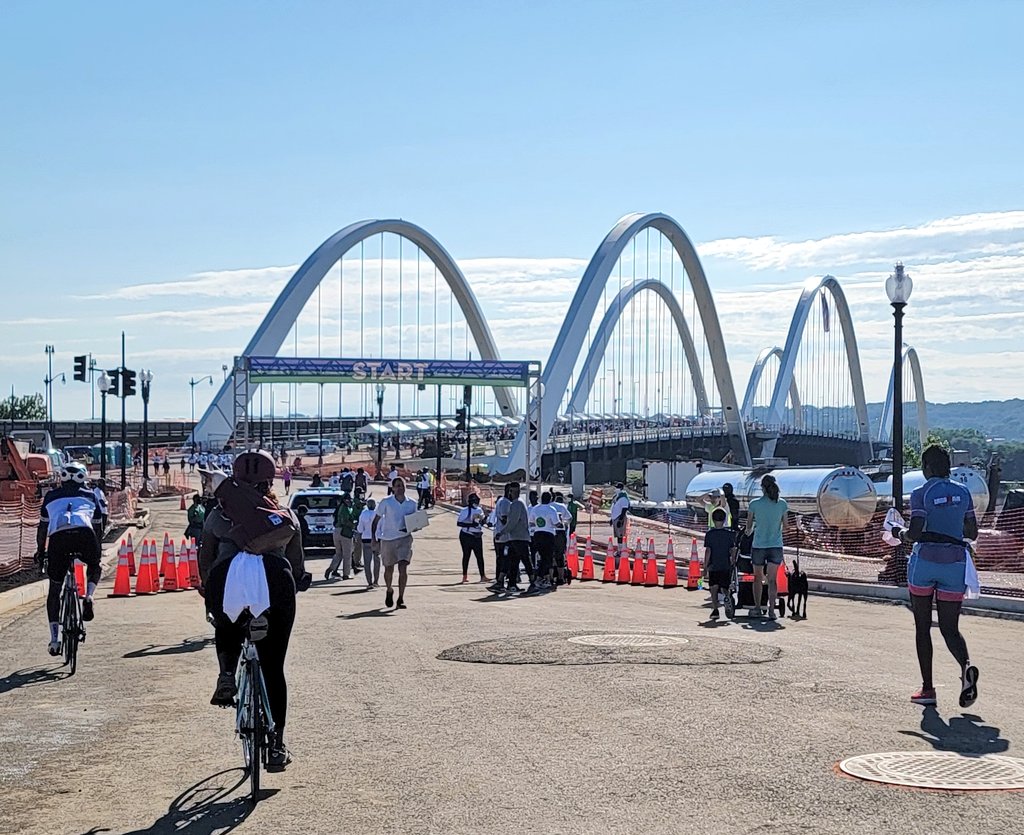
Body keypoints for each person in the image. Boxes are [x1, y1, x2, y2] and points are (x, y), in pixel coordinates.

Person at [199, 450, 310, 771]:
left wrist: (210, 592)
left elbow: (206, 560)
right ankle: (277, 744)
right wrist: (299, 580)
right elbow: (297, 562)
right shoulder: (284, 513)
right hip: (276, 581)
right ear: (270, 479)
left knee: (227, 625)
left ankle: (226, 673)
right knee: (273, 666)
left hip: (227, 577)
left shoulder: (217, 516)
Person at [894, 444, 980, 707]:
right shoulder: (963, 492)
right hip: (955, 564)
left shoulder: (921, 493)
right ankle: (965, 667)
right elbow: (972, 532)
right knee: (950, 628)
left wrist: (900, 534)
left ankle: (928, 690)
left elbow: (916, 532)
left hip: (926, 563)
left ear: (927, 468)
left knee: (923, 627)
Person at [36, 463, 101, 655]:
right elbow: (98, 527)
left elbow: (42, 530)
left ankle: (54, 640)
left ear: (62, 477)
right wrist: (96, 549)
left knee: (55, 589)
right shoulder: (91, 495)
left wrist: (41, 552)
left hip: (59, 538)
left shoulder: (50, 496)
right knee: (95, 566)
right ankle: (89, 596)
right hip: (84, 535)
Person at [743, 474, 788, 620]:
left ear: (762, 488)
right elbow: (786, 527)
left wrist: (748, 530)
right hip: (775, 545)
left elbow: (748, 526)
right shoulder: (782, 504)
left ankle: (757, 607)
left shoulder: (754, 504)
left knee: (757, 578)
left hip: (759, 545)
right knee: (773, 579)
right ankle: (771, 610)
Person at [372, 476, 418, 609]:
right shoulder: (386, 502)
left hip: (405, 538)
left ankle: (401, 598)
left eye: (402, 485)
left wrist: (415, 526)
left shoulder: (412, 503)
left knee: (403, 568)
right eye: (397, 486)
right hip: (388, 539)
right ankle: (389, 589)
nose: (400, 488)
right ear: (392, 488)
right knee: (389, 568)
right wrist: (374, 539)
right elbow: (375, 521)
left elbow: (415, 521)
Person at [491, 481, 531, 595]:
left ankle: (514, 583)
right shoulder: (508, 503)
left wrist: (503, 532)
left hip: (516, 537)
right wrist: (504, 532)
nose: (512, 493)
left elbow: (511, 521)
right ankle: (508, 583)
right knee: (512, 560)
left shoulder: (515, 503)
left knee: (517, 560)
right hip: (513, 537)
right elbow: (509, 521)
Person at [704, 508, 737, 621]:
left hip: (713, 565)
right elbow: (733, 550)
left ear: (713, 520)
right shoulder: (729, 535)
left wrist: (705, 567)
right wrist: (733, 560)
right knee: (725, 586)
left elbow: (708, 551)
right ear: (724, 520)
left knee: (713, 587)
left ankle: (715, 609)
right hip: (725, 565)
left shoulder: (709, 534)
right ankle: (727, 597)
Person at [456, 494, 489, 584]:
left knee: (480, 556)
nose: (476, 503)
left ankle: (483, 576)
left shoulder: (479, 510)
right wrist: (471, 525)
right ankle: (464, 576)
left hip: (477, 535)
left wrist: (485, 519)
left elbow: (481, 521)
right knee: (466, 555)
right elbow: (459, 523)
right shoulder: (465, 511)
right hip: (466, 535)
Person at [326, 493, 357, 581]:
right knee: (347, 554)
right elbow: (345, 521)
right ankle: (346, 574)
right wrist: (353, 525)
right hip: (344, 532)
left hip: (336, 531)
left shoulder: (338, 508)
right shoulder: (345, 508)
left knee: (338, 553)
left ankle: (331, 568)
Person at [357, 498, 380, 589]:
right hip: (376, 539)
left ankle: (369, 582)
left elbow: (360, 529)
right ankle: (376, 581)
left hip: (366, 539)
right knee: (377, 561)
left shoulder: (363, 514)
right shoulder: (378, 514)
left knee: (367, 562)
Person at [91, 477, 109, 545]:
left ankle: (99, 542)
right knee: (100, 530)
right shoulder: (97, 491)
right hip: (101, 512)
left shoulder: (100, 491)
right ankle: (98, 544)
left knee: (102, 529)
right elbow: (102, 503)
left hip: (104, 512)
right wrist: (106, 503)